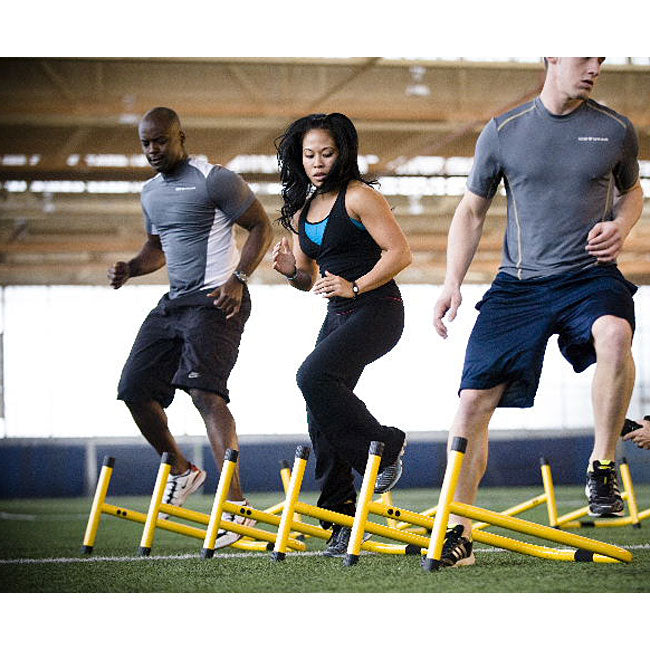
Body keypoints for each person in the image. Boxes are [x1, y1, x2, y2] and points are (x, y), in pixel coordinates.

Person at [433, 58, 643, 567]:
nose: (595, 67)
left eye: (601, 57)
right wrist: (452, 281)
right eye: (583, 55)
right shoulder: (504, 131)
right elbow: (472, 210)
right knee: (471, 404)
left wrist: (622, 225)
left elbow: (633, 192)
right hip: (519, 285)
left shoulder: (615, 130)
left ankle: (602, 466)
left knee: (615, 333)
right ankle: (458, 531)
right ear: (552, 56)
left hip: (589, 277)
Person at [108, 107, 272, 548]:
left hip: (217, 300)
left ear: (181, 138)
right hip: (174, 304)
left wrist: (238, 279)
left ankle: (236, 508)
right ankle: (182, 470)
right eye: (145, 143)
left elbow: (261, 226)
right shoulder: (150, 192)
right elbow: (156, 247)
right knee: (134, 389)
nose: (152, 150)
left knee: (205, 393)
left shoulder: (215, 179)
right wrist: (131, 267)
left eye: (160, 141)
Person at [272, 112, 412, 557]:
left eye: (326, 153)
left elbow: (399, 252)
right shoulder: (301, 212)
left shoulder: (360, 196)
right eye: (309, 155)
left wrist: (357, 285)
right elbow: (306, 278)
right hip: (338, 314)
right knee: (319, 413)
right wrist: (290, 271)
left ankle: (385, 445)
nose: (317, 163)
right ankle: (341, 521)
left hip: (378, 309)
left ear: (343, 153)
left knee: (312, 377)